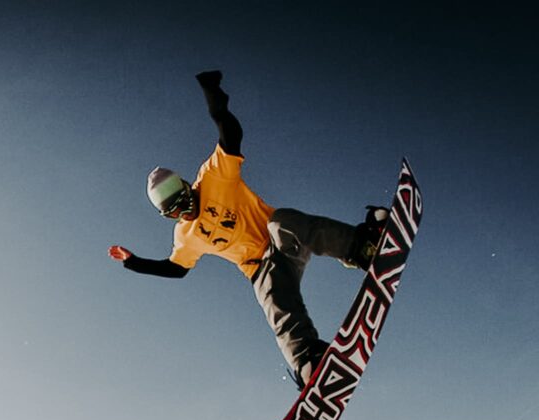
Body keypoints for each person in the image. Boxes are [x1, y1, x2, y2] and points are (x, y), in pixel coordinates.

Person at [109, 71, 388, 387]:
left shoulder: (214, 177)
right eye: (175, 212)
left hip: (282, 241)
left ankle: (362, 247)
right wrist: (133, 262)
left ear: (189, 186)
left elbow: (230, 133)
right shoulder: (185, 237)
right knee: (276, 304)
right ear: (168, 216)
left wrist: (213, 95)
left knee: (283, 221)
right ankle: (309, 361)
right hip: (261, 268)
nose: (185, 213)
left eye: (185, 201)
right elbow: (176, 269)